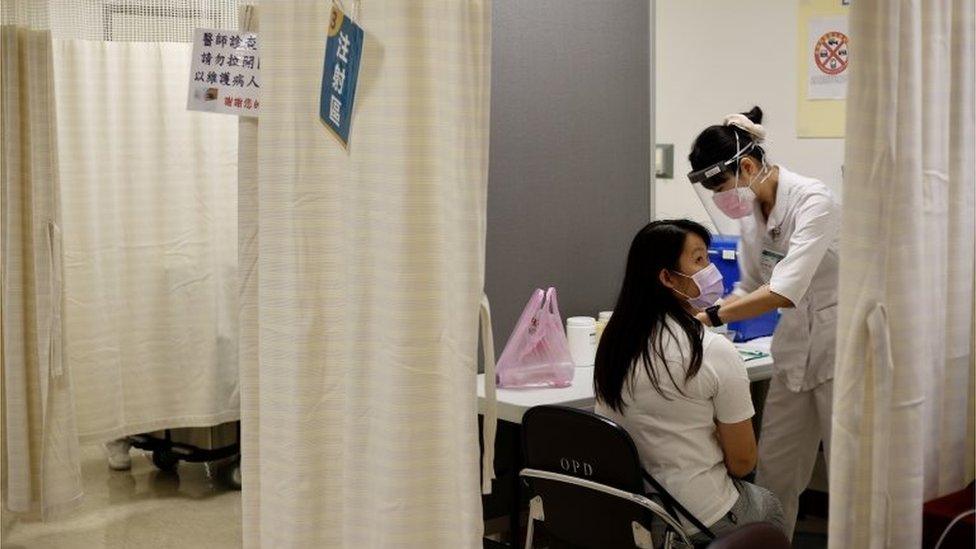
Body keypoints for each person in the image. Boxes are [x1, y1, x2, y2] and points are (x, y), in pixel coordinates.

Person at [687, 106, 840, 539]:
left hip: (839, 346)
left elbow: (782, 290)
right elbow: (753, 285)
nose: (721, 199)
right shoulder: (755, 213)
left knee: (850, 468)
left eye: (721, 187)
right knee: (776, 471)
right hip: (793, 350)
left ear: (749, 166)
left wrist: (711, 316)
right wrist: (704, 309)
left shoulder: (814, 200)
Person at [594, 219, 785, 544]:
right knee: (768, 506)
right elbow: (742, 463)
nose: (711, 270)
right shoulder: (709, 350)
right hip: (693, 518)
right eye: (699, 260)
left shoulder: (613, 343)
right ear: (666, 277)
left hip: (624, 516)